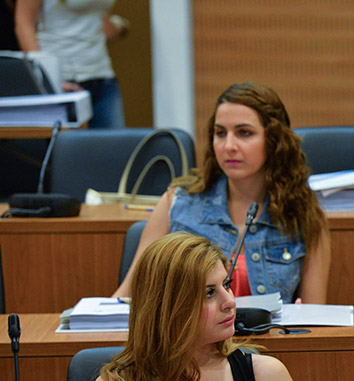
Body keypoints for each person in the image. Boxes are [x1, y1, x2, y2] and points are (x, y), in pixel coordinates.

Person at [80, 232, 324, 381]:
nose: (229, 301)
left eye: (226, 285)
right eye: (209, 293)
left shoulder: (267, 375)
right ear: (167, 307)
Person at [113, 82, 331, 304]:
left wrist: (302, 316)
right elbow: (126, 297)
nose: (229, 146)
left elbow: (315, 316)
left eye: (244, 133)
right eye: (220, 133)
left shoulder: (304, 217)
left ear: (275, 141)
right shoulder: (177, 202)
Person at [15, 0, 128, 128]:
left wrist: (120, 26)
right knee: (66, 140)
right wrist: (47, 78)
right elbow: (24, 24)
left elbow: (97, 15)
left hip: (102, 75)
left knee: (114, 140)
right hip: (63, 79)